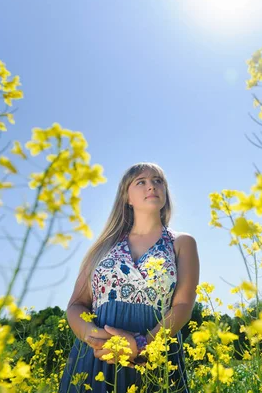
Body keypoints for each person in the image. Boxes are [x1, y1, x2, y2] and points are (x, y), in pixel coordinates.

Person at [59, 162, 200, 392]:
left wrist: (143, 345)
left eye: (158, 181)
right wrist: (98, 339)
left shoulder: (182, 243)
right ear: (127, 197)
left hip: (155, 357)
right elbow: (76, 305)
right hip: (97, 359)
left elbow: (183, 305)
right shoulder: (103, 247)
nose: (152, 186)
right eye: (141, 182)